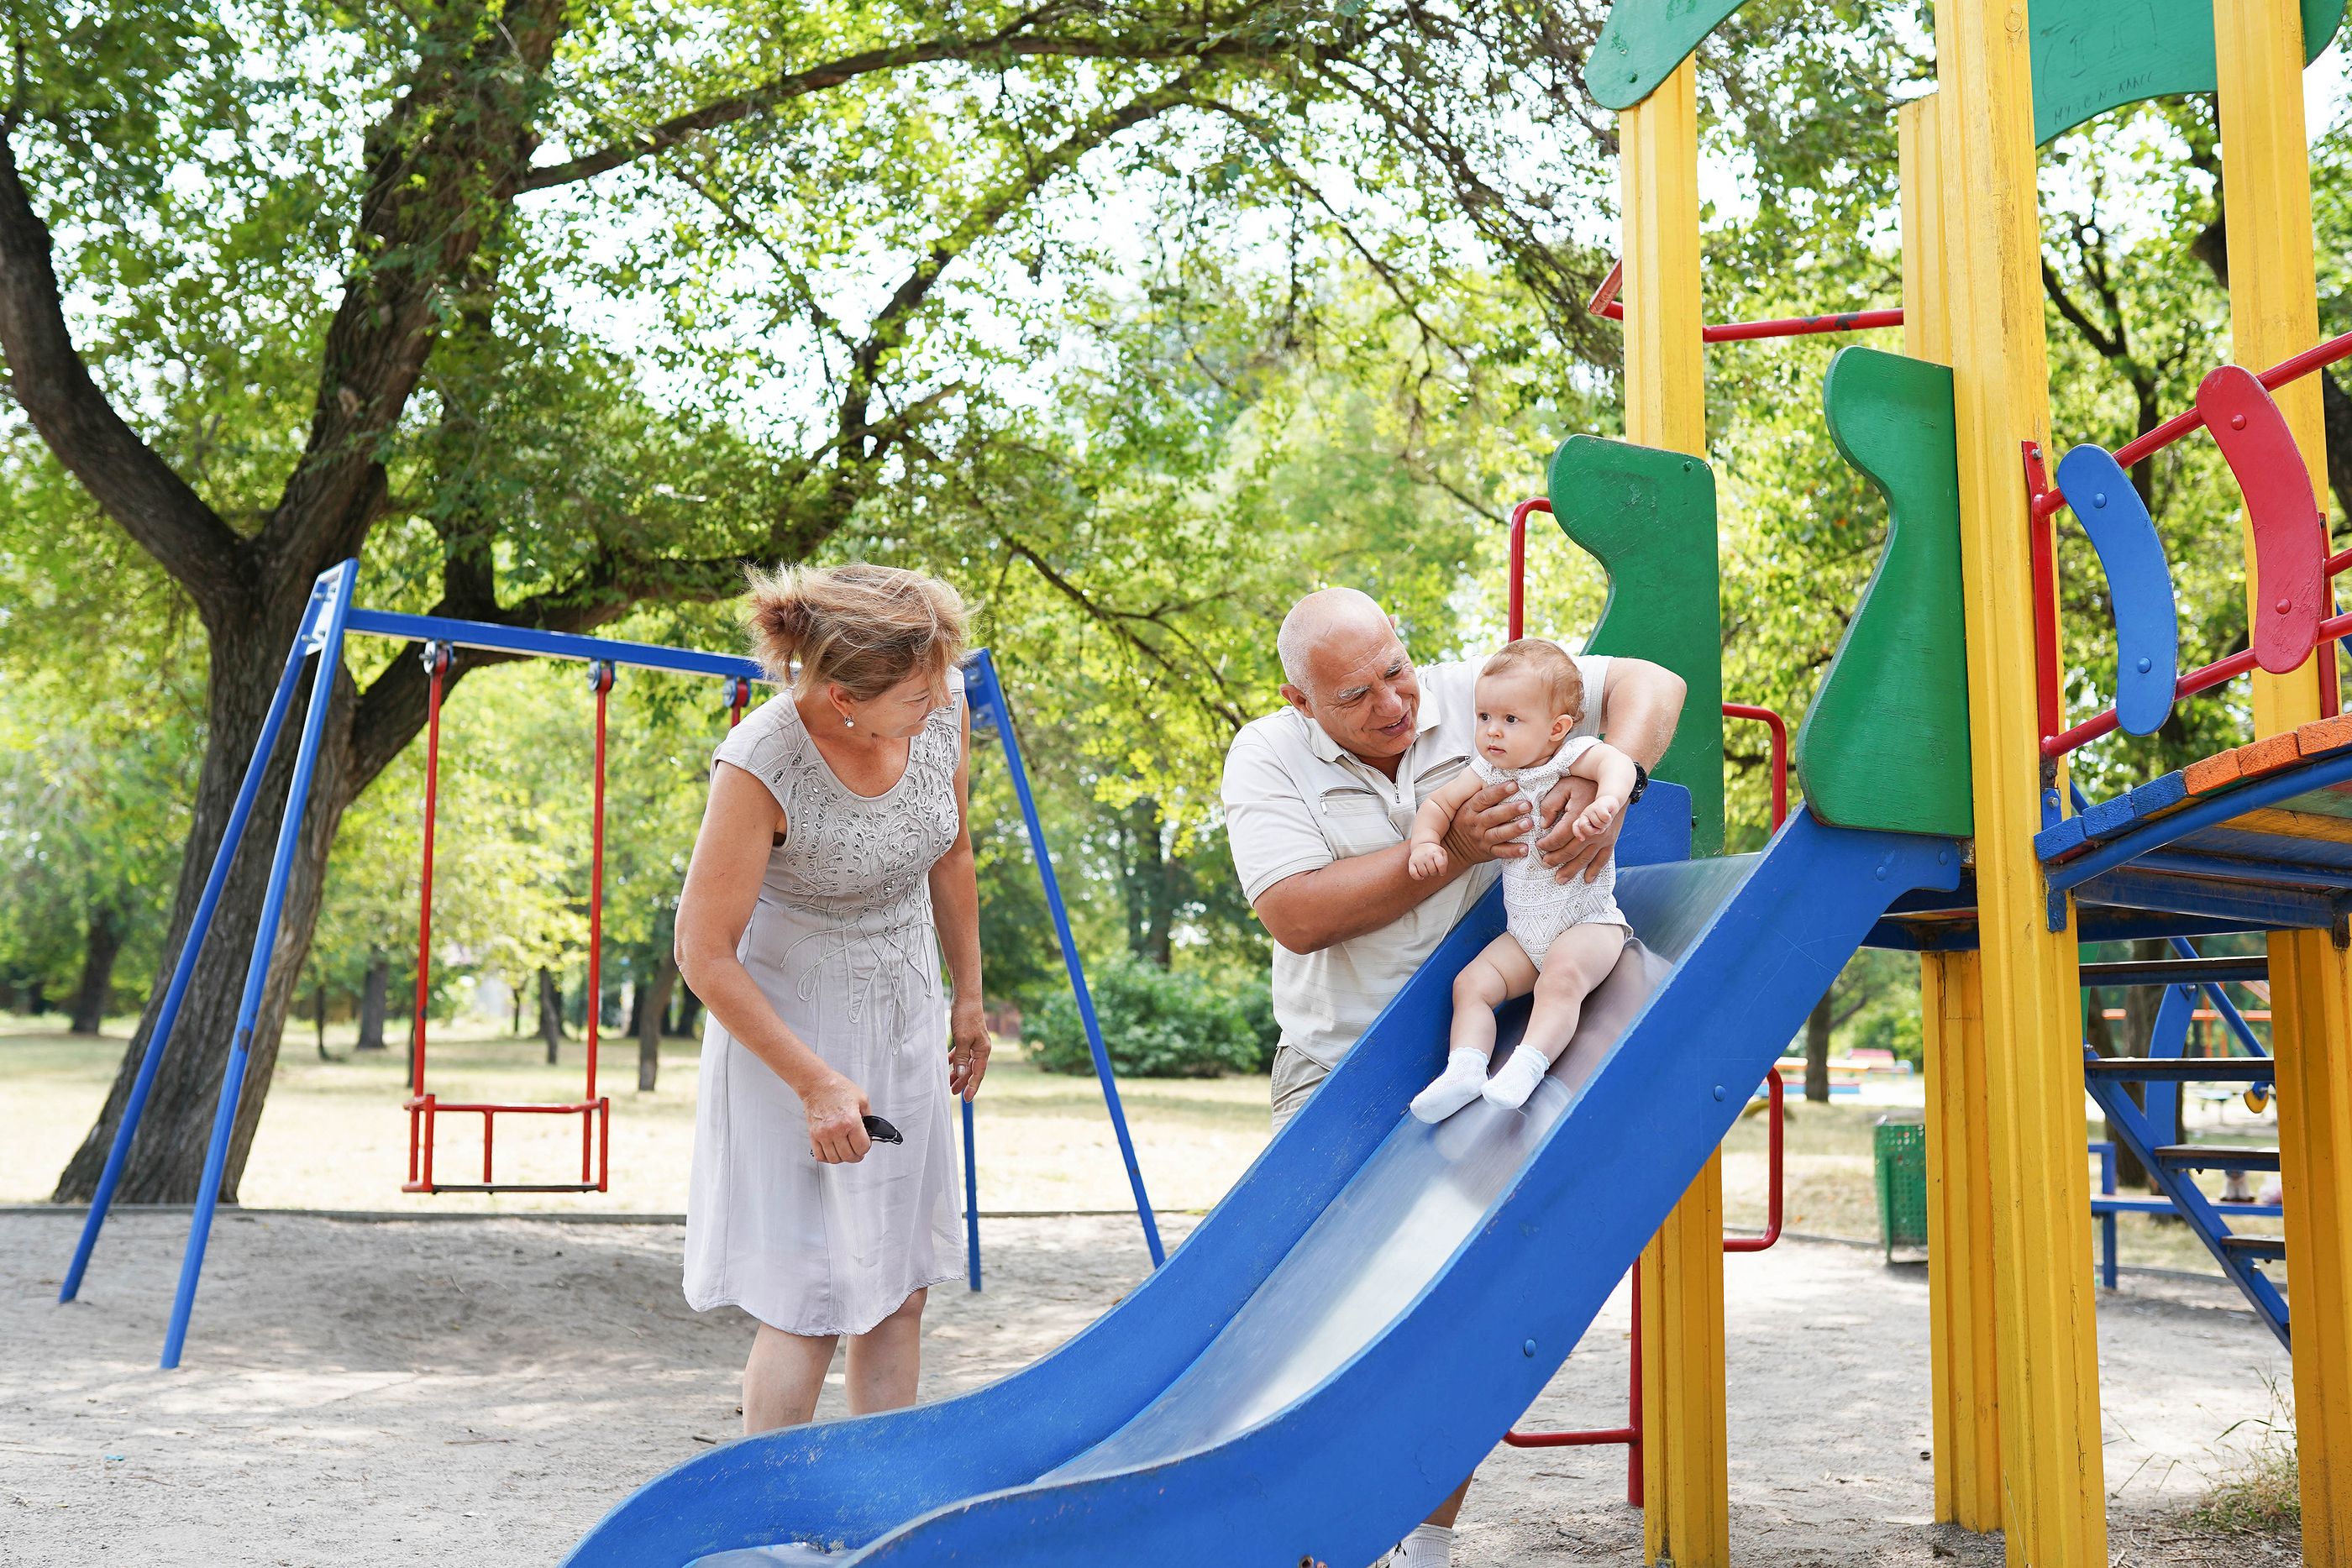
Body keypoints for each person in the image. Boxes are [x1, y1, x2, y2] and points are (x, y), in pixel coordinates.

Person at [1221, 587, 1685, 1568]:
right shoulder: (1267, 755)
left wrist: (1619, 784)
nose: (1393, 701)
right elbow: (1294, 913)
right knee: (1326, 1317)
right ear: (1301, 703)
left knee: (1457, 1315)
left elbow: (1653, 682)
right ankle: (1314, 1535)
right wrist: (1445, 854)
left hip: (1469, 1059)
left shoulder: (1478, 697)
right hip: (1337, 1065)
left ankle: (1425, 1543)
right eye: (1356, 693)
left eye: (1395, 667)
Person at [673, 562, 990, 1436]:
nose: (936, 709)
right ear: (845, 693)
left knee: (901, 1283)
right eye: (914, 697)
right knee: (809, 1297)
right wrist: (814, 1083)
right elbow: (701, 952)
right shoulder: (761, 761)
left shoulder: (941, 701)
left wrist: (967, 994)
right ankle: (775, 1518)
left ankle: (869, 1512)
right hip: (791, 1030)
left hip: (905, 1008)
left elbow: (952, 851)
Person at [1403, 639, 1637, 1120]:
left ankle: (1527, 1065)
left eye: (1511, 720)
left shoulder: (1570, 756)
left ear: (1557, 728)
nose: (1492, 731)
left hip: (1589, 923)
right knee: (1471, 984)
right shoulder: (1486, 770)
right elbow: (1438, 806)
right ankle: (1465, 1068)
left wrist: (1607, 803)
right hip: (1526, 936)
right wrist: (1426, 843)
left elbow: (1616, 764)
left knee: (1562, 978)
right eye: (1484, 716)